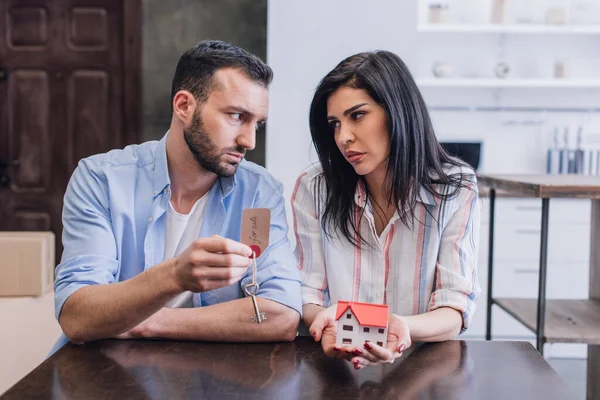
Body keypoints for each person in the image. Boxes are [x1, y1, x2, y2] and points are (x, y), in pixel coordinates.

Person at [51, 40, 301, 354]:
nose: (248, 141)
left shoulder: (260, 191)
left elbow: (281, 314)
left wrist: (145, 323)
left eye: (257, 124)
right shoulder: (101, 179)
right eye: (237, 116)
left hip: (214, 377)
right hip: (104, 373)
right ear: (184, 106)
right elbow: (77, 317)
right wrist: (173, 276)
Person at [291, 50, 481, 369]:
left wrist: (400, 328)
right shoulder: (314, 188)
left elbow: (455, 307)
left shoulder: (456, 188)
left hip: (421, 368)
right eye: (334, 124)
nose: (343, 137)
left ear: (397, 112)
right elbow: (308, 295)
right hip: (335, 369)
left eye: (358, 115)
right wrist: (325, 322)